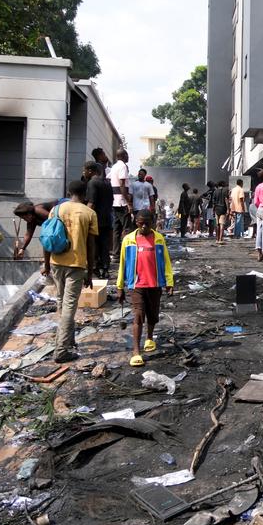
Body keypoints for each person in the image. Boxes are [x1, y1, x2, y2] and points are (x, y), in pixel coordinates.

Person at [46, 180, 98, 363]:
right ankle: (61, 351)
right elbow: (91, 246)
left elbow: (47, 236)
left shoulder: (56, 210)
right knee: (69, 306)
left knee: (61, 302)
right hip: (76, 264)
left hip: (56, 261)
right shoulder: (89, 213)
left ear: (68, 192)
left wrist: (46, 264)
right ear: (85, 194)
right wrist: (90, 272)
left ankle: (67, 339)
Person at [116, 209, 174, 367]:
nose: (144, 226)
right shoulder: (128, 240)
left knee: (152, 314)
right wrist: (120, 286)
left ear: (153, 223)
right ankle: (136, 352)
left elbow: (166, 261)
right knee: (138, 315)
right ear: (136, 222)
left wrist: (169, 282)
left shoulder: (159, 239)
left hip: (155, 284)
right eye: (141, 223)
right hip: (136, 285)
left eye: (147, 223)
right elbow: (122, 263)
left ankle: (149, 338)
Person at [84, 161, 114, 278]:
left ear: (90, 171)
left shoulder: (92, 183)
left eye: (85, 170)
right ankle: (105, 268)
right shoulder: (107, 183)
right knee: (104, 246)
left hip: (95, 221)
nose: (84, 172)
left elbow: (91, 203)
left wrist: (84, 218)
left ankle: (95, 269)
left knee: (94, 245)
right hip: (106, 219)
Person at [108, 149, 132, 251]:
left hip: (114, 201)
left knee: (116, 229)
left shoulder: (114, 167)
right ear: (123, 155)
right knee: (127, 228)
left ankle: (116, 252)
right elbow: (122, 185)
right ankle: (127, 251)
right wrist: (128, 202)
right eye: (127, 155)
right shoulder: (123, 166)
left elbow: (109, 179)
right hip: (122, 202)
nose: (128, 157)